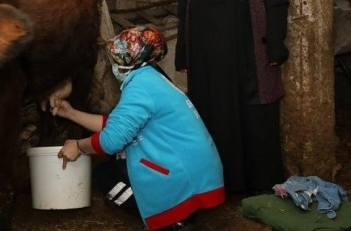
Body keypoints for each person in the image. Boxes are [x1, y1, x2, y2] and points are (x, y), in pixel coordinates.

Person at [54, 26, 225, 231]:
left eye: (117, 58)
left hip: (183, 175)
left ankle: (170, 220)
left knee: (104, 175)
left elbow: (111, 140)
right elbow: (116, 124)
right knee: (117, 159)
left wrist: (79, 146)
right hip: (196, 172)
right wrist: (71, 113)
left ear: (130, 60)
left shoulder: (140, 88)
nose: (113, 64)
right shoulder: (150, 78)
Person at [175, 0, 289, 194]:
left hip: (246, 59)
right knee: (212, 116)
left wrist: (275, 47)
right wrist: (183, 57)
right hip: (207, 64)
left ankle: (258, 184)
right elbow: (184, 16)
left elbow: (276, 5)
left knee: (252, 117)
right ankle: (218, 183)